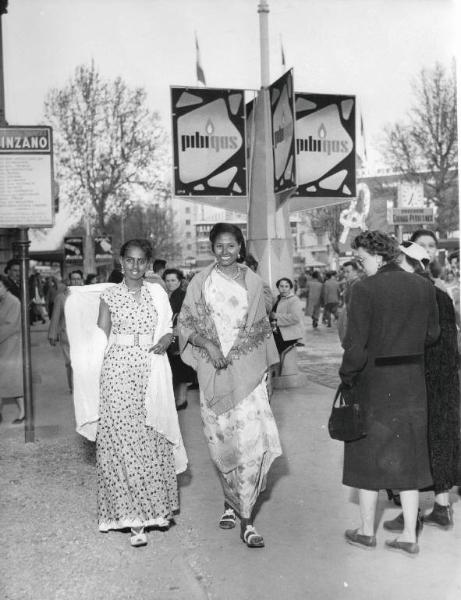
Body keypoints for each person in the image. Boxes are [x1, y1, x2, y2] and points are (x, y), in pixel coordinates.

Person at [66, 239, 187, 547]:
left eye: (141, 261)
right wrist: (84, 371)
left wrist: (167, 339)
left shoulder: (158, 294)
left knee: (148, 439)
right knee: (121, 441)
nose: (135, 266)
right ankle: (131, 519)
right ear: (121, 261)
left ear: (148, 264)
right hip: (117, 370)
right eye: (130, 260)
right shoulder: (109, 295)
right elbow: (99, 338)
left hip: (151, 369)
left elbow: (169, 329)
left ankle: (151, 511)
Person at [178, 223, 281, 548]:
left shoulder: (253, 282)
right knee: (222, 445)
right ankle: (229, 502)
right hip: (213, 374)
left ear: (240, 248)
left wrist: (260, 371)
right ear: (213, 249)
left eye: (231, 246)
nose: (225, 252)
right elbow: (185, 325)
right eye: (219, 246)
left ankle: (247, 519)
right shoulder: (200, 282)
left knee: (251, 445)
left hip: (249, 375)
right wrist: (209, 346)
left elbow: (260, 330)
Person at [340, 230, 439, 556]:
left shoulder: (364, 289)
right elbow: (432, 333)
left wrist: (347, 376)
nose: (360, 264)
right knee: (409, 457)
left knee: (366, 455)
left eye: (362, 258)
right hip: (411, 381)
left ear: (379, 256)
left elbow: (356, 346)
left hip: (375, 381)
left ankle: (367, 532)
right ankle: (410, 535)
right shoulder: (424, 286)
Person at [383, 242, 460, 533]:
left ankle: (410, 514)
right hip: (445, 380)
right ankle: (442, 508)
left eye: (397, 261)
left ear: (410, 264)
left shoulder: (412, 294)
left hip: (418, 377)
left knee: (411, 441)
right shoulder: (440, 294)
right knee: (439, 438)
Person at [163, 268, 195, 410]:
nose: (170, 283)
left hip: (179, 337)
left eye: (173, 280)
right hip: (173, 337)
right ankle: (180, 400)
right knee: (176, 370)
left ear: (180, 281)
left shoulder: (182, 296)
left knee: (179, 370)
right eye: (167, 280)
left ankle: (181, 400)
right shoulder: (168, 295)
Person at [48, 270, 84, 392]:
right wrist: (52, 335)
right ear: (69, 281)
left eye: (78, 279)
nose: (76, 281)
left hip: (82, 336)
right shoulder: (61, 298)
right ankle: (73, 387)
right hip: (66, 336)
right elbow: (55, 317)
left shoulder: (86, 296)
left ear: (82, 280)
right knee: (70, 363)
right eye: (73, 279)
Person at [0, 274, 25, 424]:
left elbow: (11, 326)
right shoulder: (2, 301)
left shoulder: (13, 302)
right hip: (4, 346)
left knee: (14, 382)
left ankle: (23, 412)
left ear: (5, 286)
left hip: (11, 347)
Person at [270, 277, 304, 355]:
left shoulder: (294, 300)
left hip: (288, 336)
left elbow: (295, 318)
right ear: (278, 287)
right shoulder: (276, 299)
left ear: (290, 288)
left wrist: (276, 316)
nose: (284, 289)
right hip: (276, 334)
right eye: (281, 286)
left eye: (286, 286)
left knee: (287, 364)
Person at [410, 229, 448, 293]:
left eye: (431, 246)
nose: (427, 250)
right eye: (421, 246)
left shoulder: (438, 282)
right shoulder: (405, 278)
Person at [337, 261, 362, 345]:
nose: (345, 274)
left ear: (356, 271)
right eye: (344, 272)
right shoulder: (349, 283)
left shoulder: (357, 285)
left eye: (348, 272)